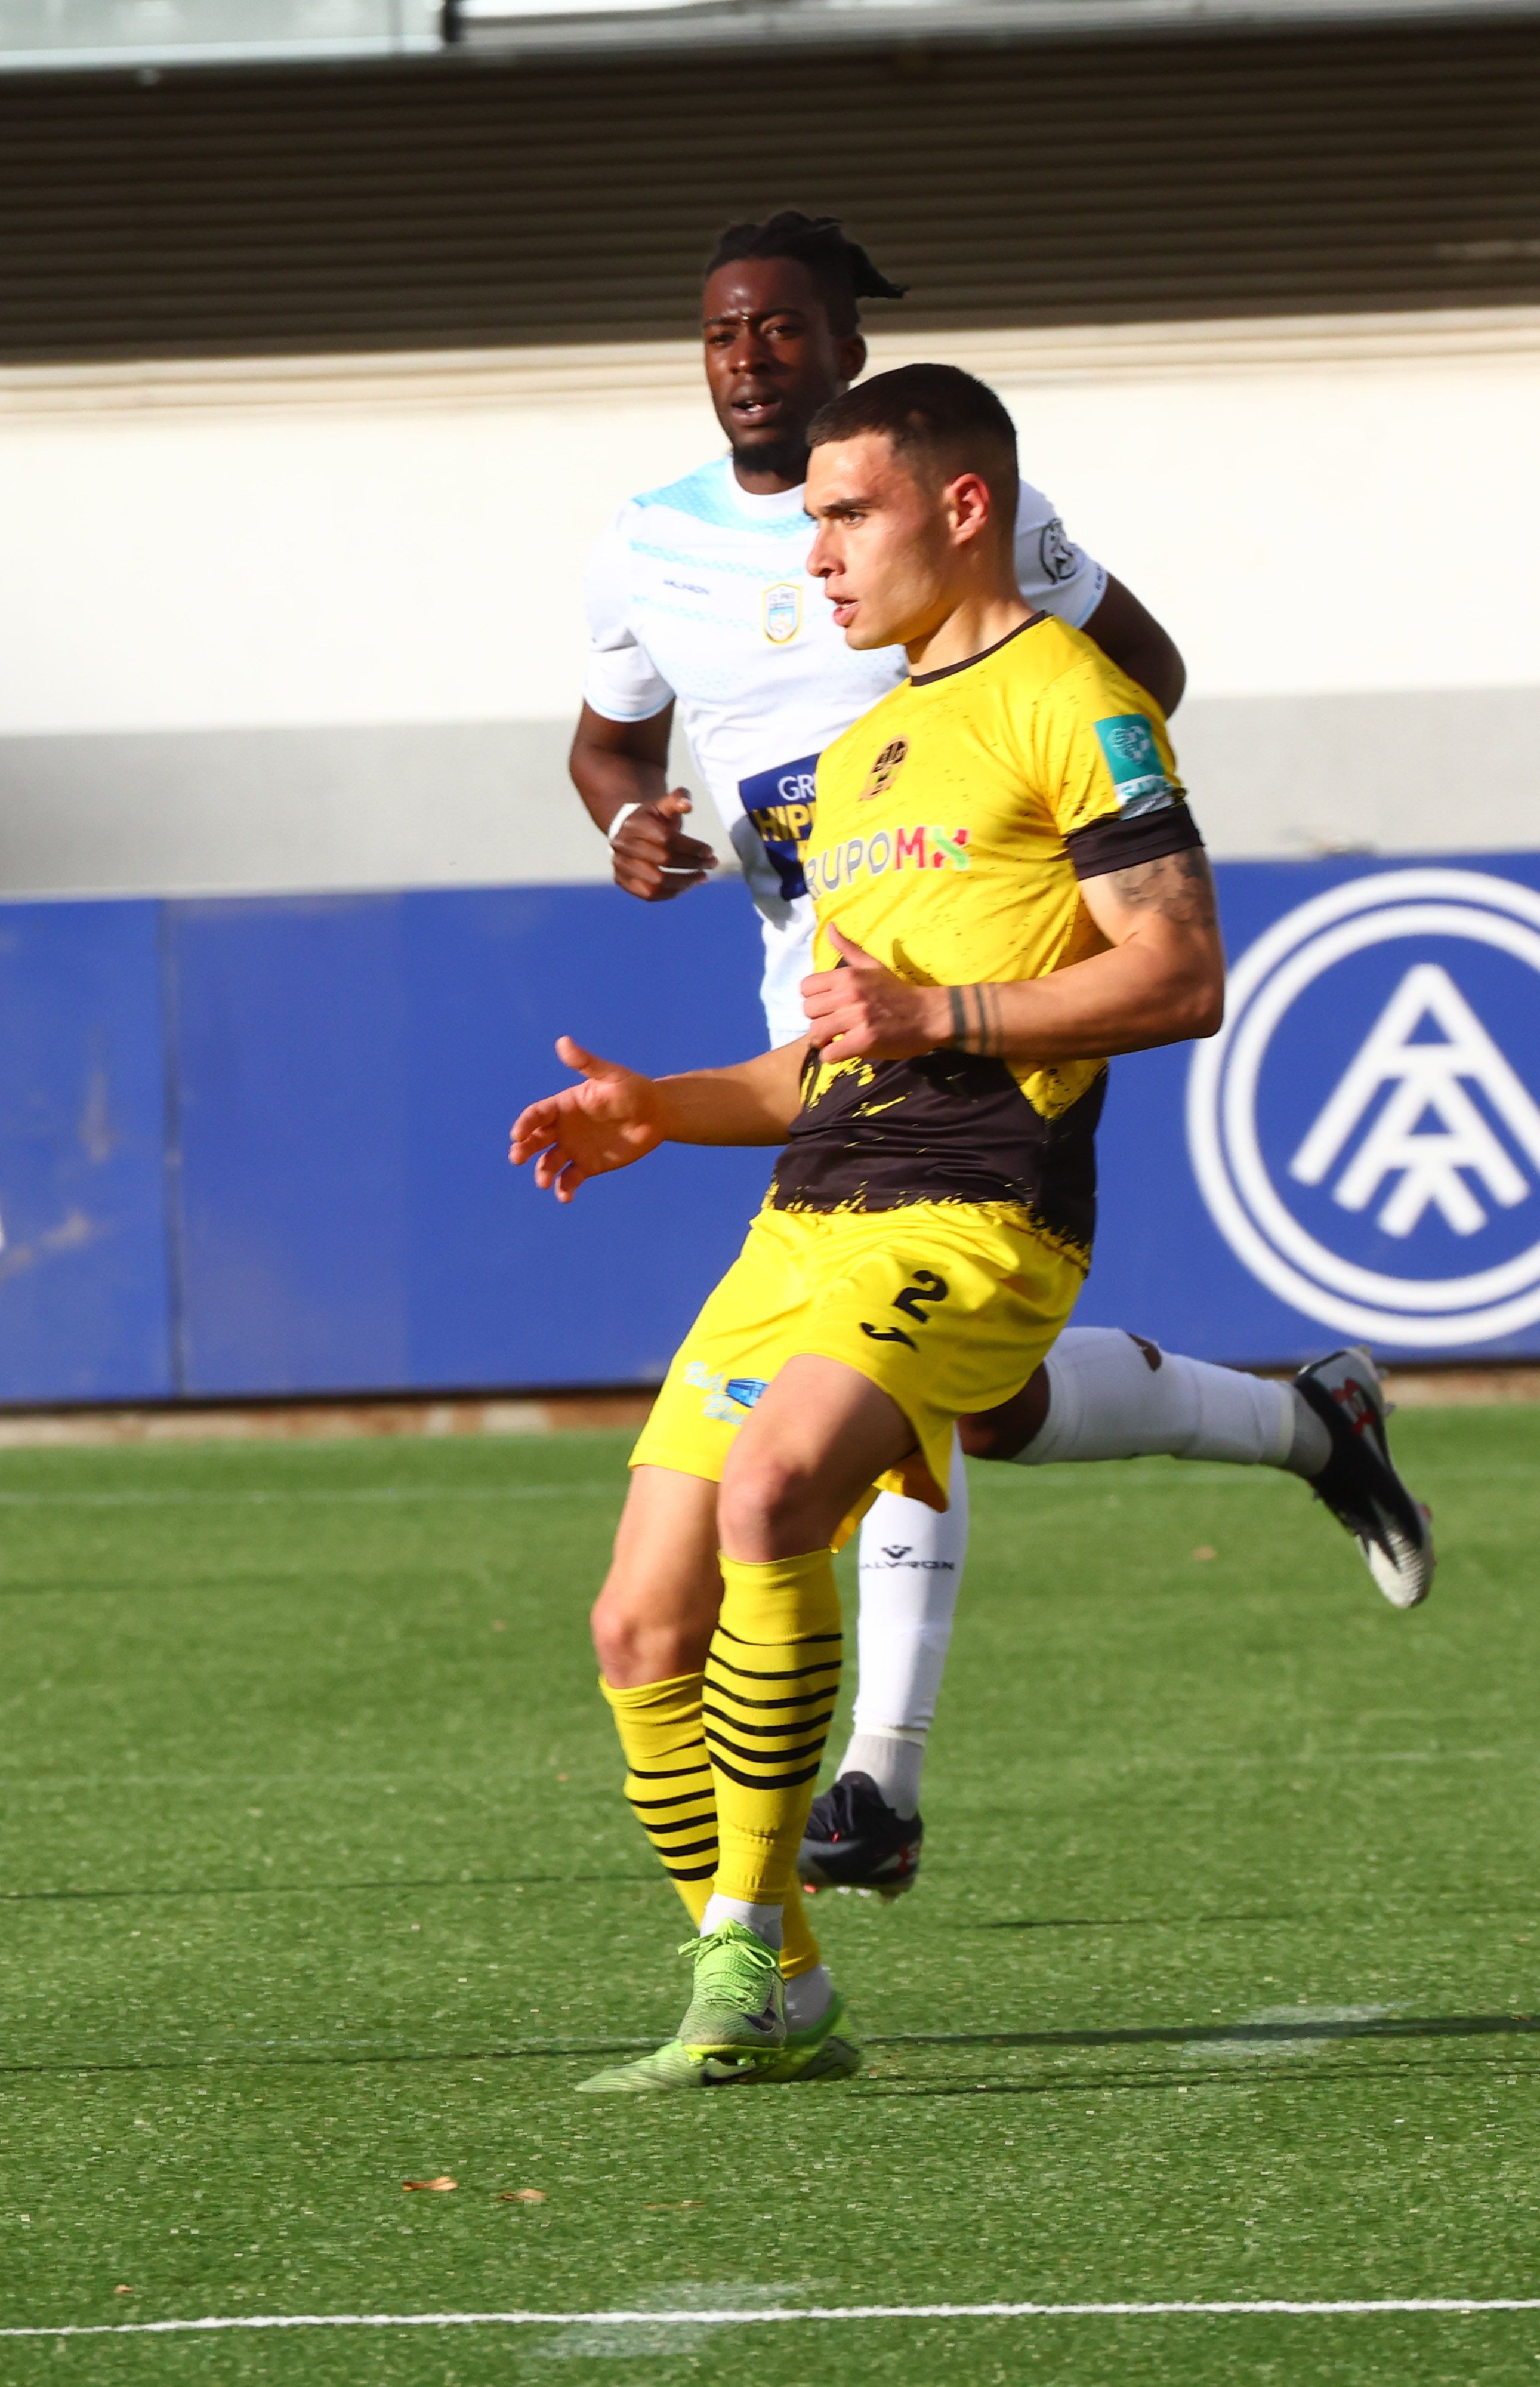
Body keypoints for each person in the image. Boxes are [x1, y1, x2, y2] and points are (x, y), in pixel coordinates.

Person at [569, 213, 1430, 1903]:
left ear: (844, 356)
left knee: (866, 1386)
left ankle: (872, 1780)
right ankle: (1304, 1424)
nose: (749, 356)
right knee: (991, 1397)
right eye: (723, 331)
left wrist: (1013, 842)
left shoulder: (972, 517)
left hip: (971, 944)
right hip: (813, 971)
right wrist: (641, 829)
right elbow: (609, 750)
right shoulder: (642, 542)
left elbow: (1136, 685)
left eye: (785, 329)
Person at [514, 363, 1244, 2086]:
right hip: (810, 1215)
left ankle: (738, 1966)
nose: (818, 552)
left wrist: (952, 1022)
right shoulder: (855, 757)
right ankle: (802, 1996)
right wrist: (660, 1108)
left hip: (983, 1211)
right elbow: (825, 1055)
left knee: (778, 1490)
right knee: (635, 1628)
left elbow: (1182, 971)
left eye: (848, 515)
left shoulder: (1083, 698)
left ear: (964, 507)